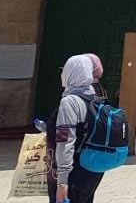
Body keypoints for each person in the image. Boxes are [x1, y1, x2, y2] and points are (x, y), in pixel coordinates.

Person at [46, 55, 105, 203]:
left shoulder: (70, 102)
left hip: (72, 172)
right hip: (90, 169)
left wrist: (62, 182)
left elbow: (65, 141)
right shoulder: (96, 98)